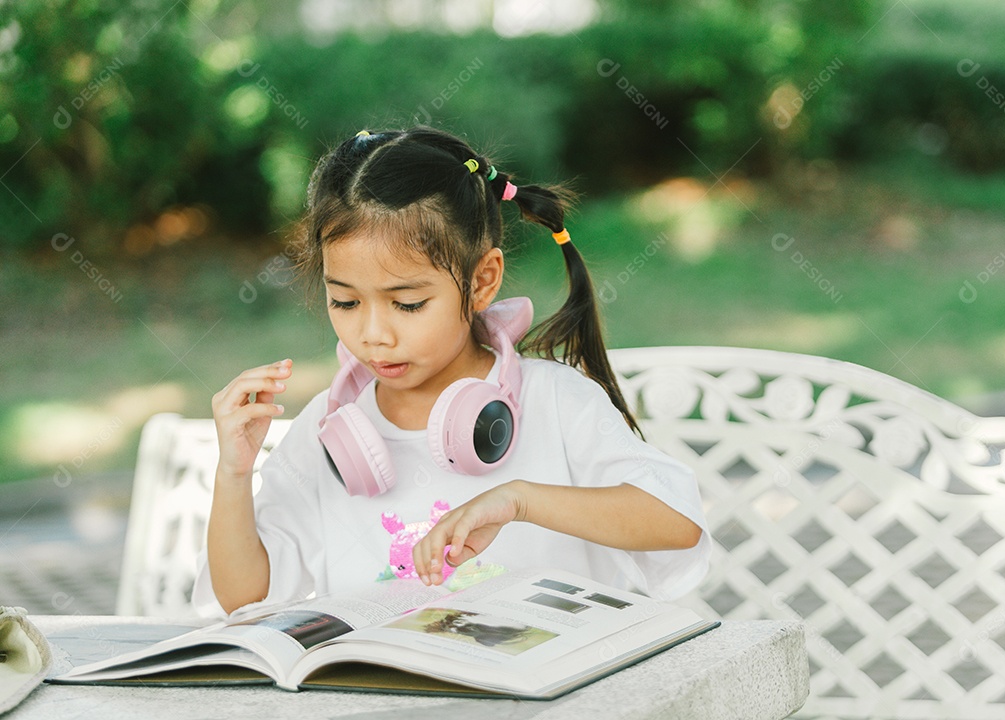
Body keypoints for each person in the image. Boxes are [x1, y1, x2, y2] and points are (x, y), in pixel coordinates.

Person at [193, 126, 709, 617]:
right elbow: (245, 598)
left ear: (482, 281)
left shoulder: (555, 401)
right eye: (345, 302)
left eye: (409, 304)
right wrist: (234, 474)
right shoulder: (330, 432)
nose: (374, 334)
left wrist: (519, 500)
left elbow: (677, 524)